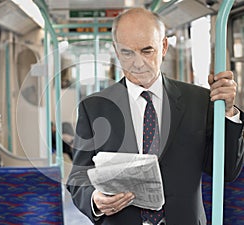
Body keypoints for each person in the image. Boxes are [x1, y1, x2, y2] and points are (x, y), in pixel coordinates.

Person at [66, 8, 244, 225]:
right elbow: (78, 178)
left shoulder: (199, 100)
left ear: (164, 47)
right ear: (115, 50)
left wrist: (228, 112)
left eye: (147, 50)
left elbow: (226, 171)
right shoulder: (93, 108)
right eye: (127, 53)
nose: (138, 63)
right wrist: (95, 199)